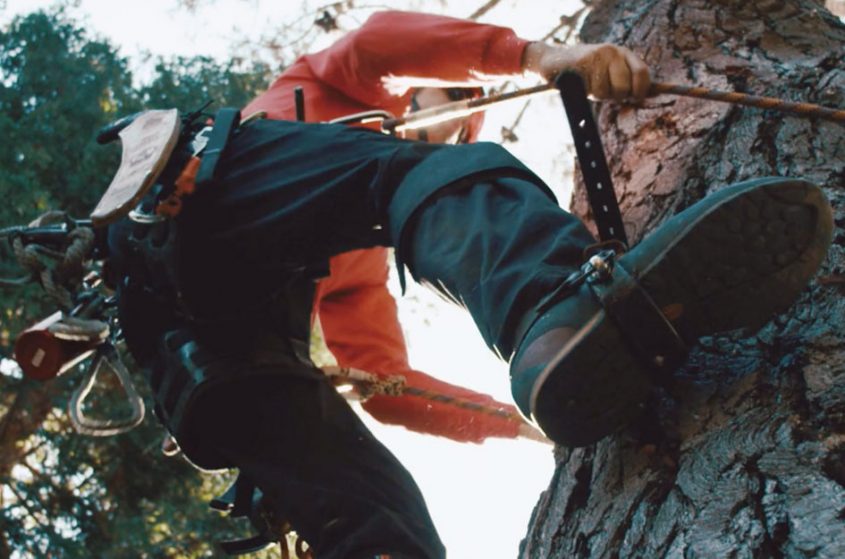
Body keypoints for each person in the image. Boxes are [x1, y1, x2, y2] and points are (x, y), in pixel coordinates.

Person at [105, 10, 832, 559]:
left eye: (458, 113)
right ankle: (553, 303)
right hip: (197, 189)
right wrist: (536, 55)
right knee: (412, 175)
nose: (445, 122)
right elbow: (379, 41)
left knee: (382, 516)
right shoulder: (331, 102)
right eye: (442, 99)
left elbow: (389, 384)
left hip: (202, 343)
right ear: (414, 92)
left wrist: (516, 420)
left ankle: (560, 327)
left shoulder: (351, 248)